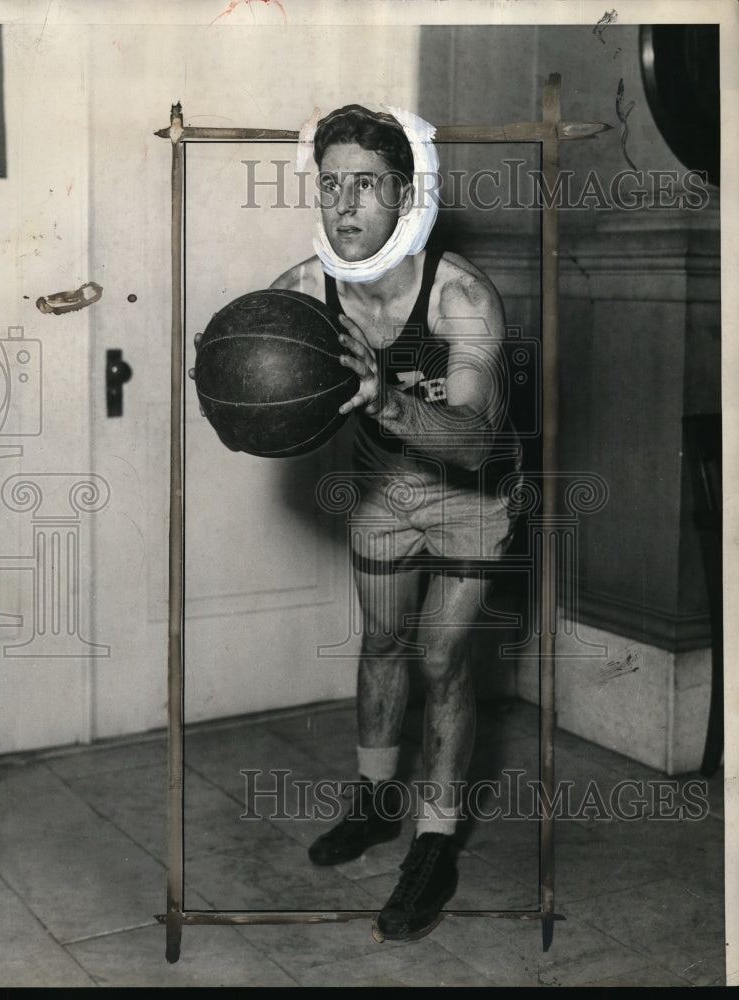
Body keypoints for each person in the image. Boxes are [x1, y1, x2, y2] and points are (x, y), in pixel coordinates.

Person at [271, 105, 520, 943]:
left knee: (440, 657)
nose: (344, 205)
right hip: (381, 488)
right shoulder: (309, 287)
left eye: (366, 185)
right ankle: (378, 803)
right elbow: (255, 357)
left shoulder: (460, 296)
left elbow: (473, 436)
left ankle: (436, 839)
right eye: (332, 183)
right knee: (381, 644)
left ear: (404, 196)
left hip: (470, 491)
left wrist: (383, 394)